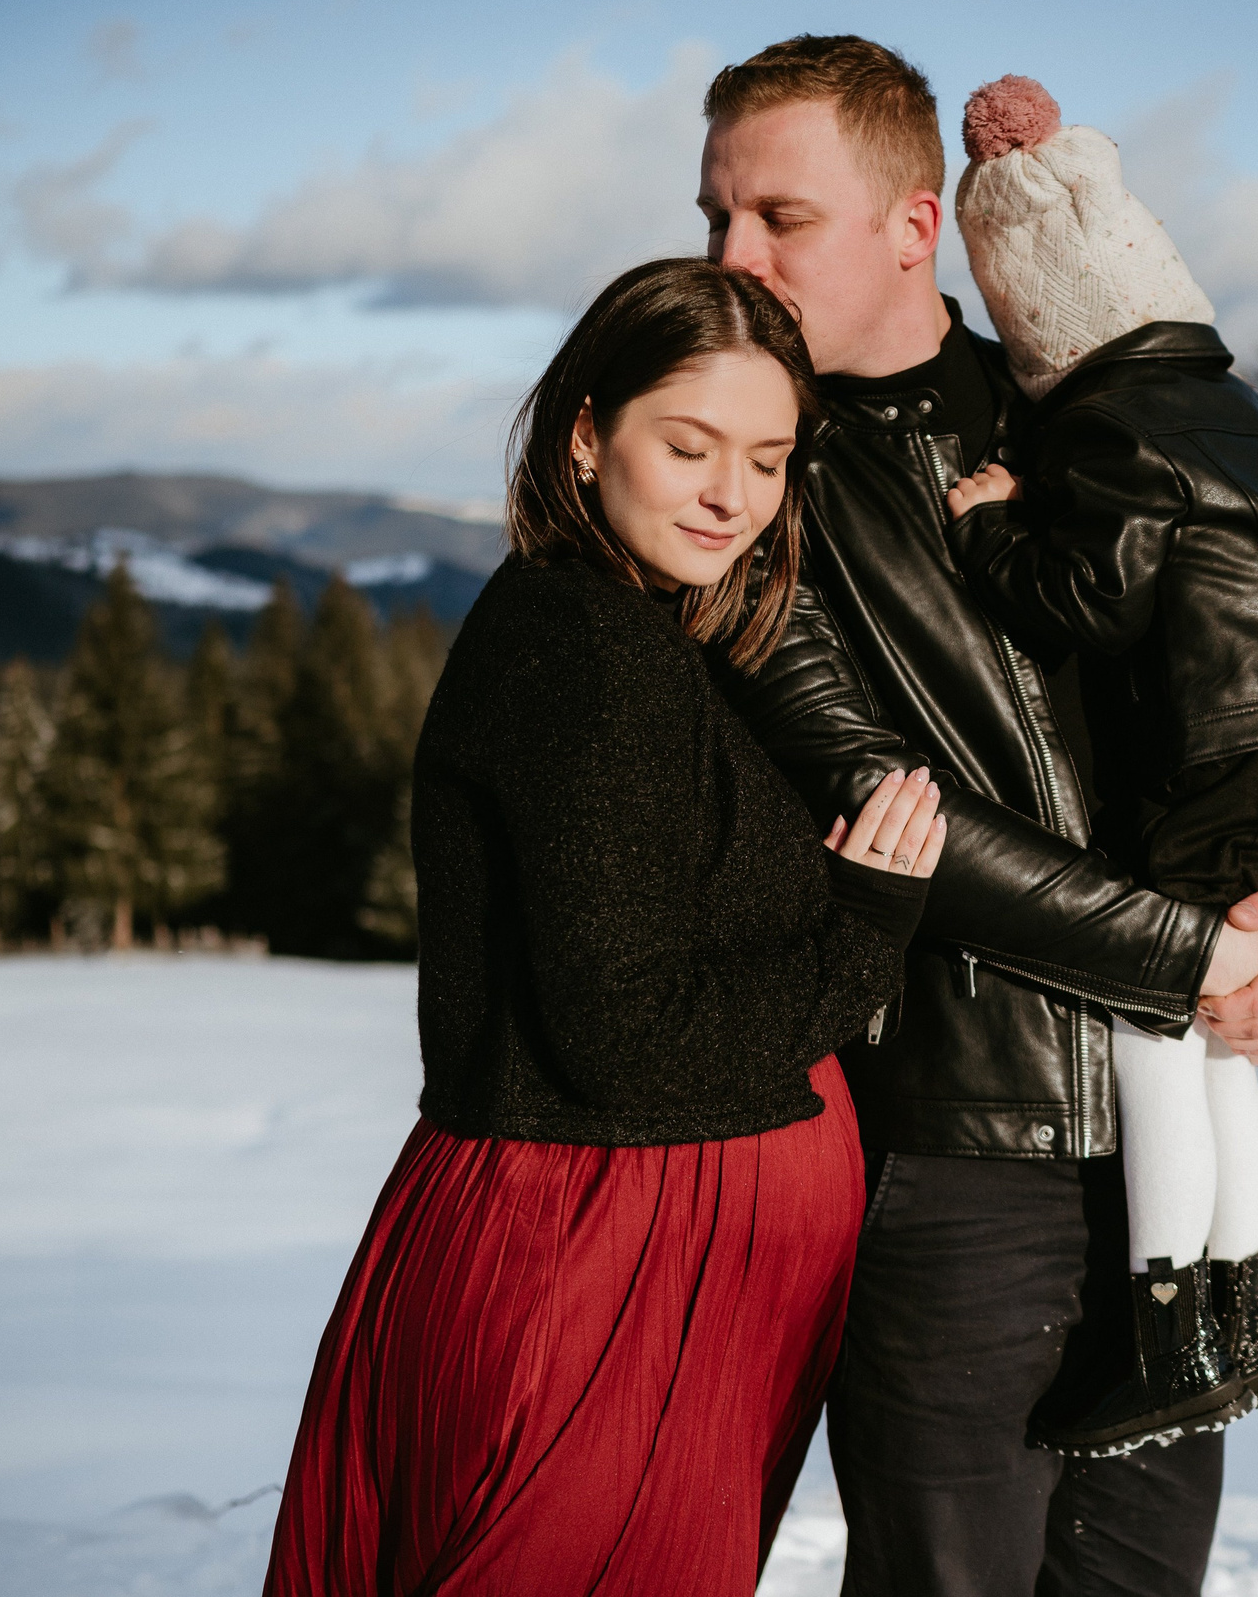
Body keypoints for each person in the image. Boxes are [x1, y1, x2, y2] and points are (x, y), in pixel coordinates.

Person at [697, 36, 1258, 1594]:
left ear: (915, 223)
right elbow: (893, 813)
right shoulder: (754, 483)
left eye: (778, 217)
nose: (733, 260)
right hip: (953, 1146)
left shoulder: (1093, 403)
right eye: (716, 220)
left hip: (1177, 1153)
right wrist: (1201, 957)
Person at [261, 258, 947, 1597]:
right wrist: (864, 927)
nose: (730, 495)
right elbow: (628, 1038)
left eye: (767, 457)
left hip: (632, 1259)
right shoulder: (589, 655)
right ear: (587, 434)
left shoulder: (622, 632)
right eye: (686, 446)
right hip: (606, 1266)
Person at [942, 73, 1258, 1459]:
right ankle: (1248, 1308)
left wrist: (996, 529)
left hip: (1217, 758)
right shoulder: (1228, 400)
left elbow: (1095, 598)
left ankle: (1168, 1328)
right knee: (1232, 1043)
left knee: (1161, 1015)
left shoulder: (1108, 420)